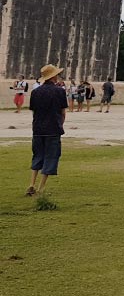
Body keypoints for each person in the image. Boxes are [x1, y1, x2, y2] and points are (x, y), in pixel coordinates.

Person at [25, 64, 68, 197]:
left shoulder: (35, 92)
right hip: (53, 128)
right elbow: (63, 112)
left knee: (37, 155)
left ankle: (31, 183)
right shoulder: (60, 91)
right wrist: (60, 124)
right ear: (54, 76)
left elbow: (34, 111)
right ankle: (41, 187)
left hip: (38, 128)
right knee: (51, 156)